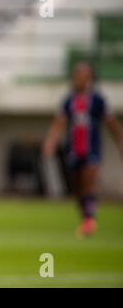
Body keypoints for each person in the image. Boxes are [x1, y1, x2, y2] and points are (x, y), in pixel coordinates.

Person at [42, 61, 123, 238]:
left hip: (92, 148)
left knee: (89, 182)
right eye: (75, 76)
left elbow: (111, 123)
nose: (77, 79)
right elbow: (59, 123)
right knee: (78, 189)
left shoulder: (97, 100)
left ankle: (90, 221)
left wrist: (120, 142)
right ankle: (86, 219)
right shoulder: (69, 100)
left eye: (81, 76)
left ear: (89, 78)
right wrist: (51, 142)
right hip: (73, 149)